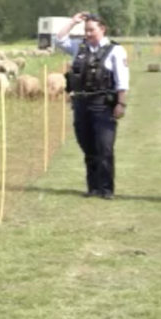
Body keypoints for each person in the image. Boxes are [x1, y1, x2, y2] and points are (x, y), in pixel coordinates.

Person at [56, 12, 130, 199]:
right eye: (86, 30)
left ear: (102, 29)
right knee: (88, 147)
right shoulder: (78, 47)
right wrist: (73, 22)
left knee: (104, 147)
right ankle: (93, 187)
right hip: (81, 104)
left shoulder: (115, 50)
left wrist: (121, 103)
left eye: (91, 30)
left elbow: (122, 81)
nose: (88, 33)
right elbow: (59, 40)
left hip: (103, 104)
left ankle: (106, 189)